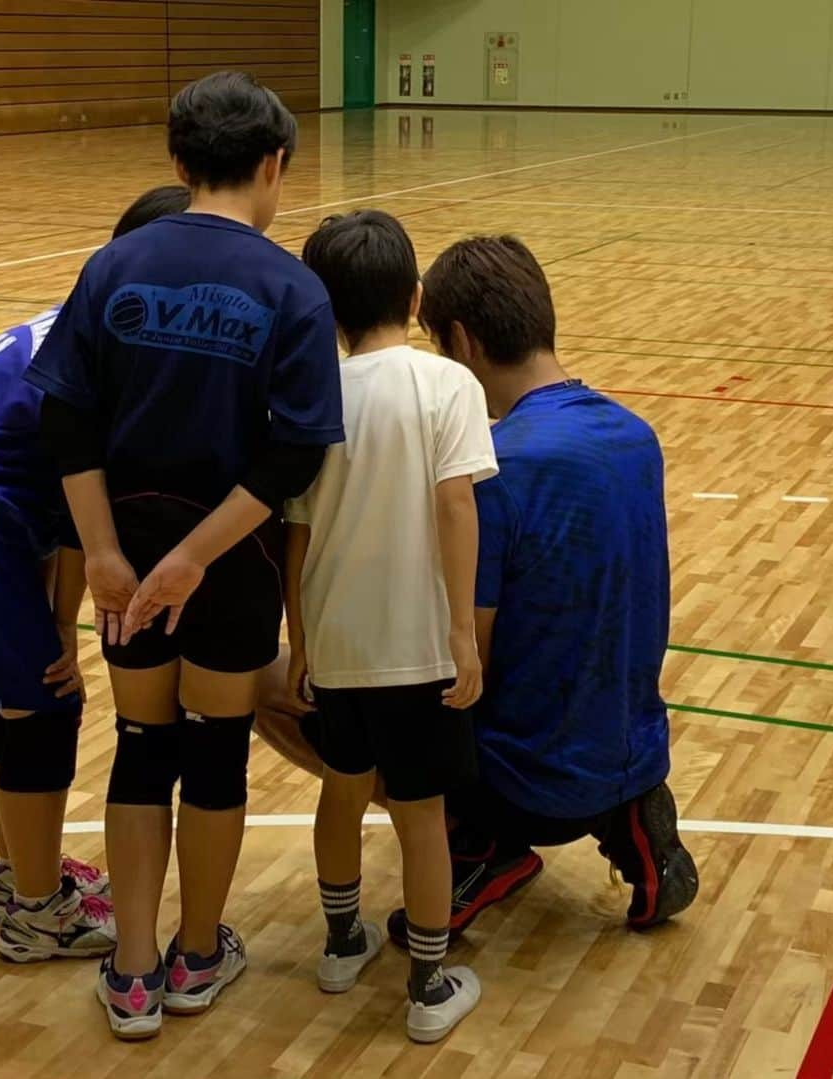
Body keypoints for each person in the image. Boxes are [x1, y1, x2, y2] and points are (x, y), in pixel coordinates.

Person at [255, 234, 699, 943]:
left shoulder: (496, 466)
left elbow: (471, 656)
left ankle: (479, 842)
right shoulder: (636, 435)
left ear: (459, 338)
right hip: (634, 745)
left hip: (521, 782)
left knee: (279, 684)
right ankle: (628, 812)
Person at [25, 72, 344, 1041]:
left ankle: (130, 970)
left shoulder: (112, 266)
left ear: (176, 163)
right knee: (214, 753)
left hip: (130, 558)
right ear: (274, 165)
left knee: (140, 747)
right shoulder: (292, 286)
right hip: (232, 562)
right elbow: (295, 449)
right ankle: (197, 952)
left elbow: (65, 420)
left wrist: (112, 555)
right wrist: (199, 558)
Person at [0, 184, 192, 963]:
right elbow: (87, 512)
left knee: (15, 699)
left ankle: (19, 868)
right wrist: (62, 624)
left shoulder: (80, 322)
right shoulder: (118, 354)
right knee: (46, 704)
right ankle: (39, 909)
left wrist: (55, 615)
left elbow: (50, 487)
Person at [289, 210, 497, 1043]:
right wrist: (461, 633)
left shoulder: (313, 395)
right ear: (415, 298)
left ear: (326, 312)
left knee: (341, 795)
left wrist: (302, 643)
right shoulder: (449, 385)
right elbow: (456, 505)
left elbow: (295, 535)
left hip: (338, 646)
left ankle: (342, 945)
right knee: (421, 817)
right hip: (419, 652)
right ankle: (427, 984)